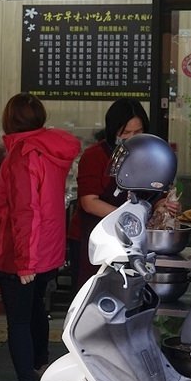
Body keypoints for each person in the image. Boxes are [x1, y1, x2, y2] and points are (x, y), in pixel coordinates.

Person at [0, 93, 80, 381]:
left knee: (19, 321)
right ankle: (40, 370)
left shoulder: (22, 155)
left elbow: (25, 211)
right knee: (36, 312)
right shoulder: (50, 150)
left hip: (23, 254)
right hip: (48, 250)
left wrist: (24, 262)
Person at [69, 99, 176, 287]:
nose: (132, 137)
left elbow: (156, 194)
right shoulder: (95, 156)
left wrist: (163, 205)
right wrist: (131, 218)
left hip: (134, 241)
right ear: (113, 131)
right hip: (95, 238)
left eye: (138, 131)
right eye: (125, 132)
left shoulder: (149, 155)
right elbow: (89, 202)